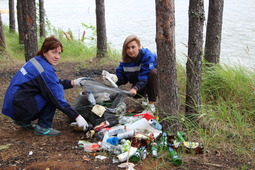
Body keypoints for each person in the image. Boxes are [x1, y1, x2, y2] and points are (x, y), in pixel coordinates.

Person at [1, 36, 89, 136]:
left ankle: (23, 121)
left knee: (51, 89)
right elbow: (55, 95)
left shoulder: (36, 61)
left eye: (59, 53)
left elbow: (50, 83)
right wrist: (77, 117)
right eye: (53, 52)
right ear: (44, 52)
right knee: (54, 93)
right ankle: (43, 126)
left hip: (13, 106)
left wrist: (73, 82)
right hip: (19, 109)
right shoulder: (44, 69)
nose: (57, 56)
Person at [115, 34, 158, 115]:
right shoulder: (125, 60)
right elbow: (123, 78)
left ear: (139, 46)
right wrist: (114, 79)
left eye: (133, 47)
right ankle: (145, 97)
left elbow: (145, 77)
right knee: (135, 95)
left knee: (152, 73)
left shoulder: (147, 56)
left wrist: (135, 88)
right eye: (128, 48)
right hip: (141, 80)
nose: (130, 50)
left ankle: (151, 104)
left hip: (156, 82)